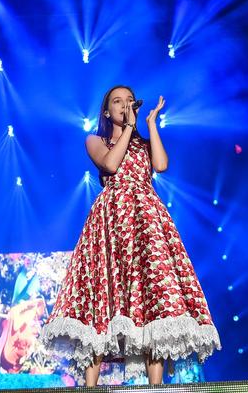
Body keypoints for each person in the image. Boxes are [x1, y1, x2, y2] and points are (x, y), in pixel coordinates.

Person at [41, 85, 221, 386]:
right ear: (107, 111)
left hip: (145, 219)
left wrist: (149, 125)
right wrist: (127, 129)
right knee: (101, 295)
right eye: (117, 101)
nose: (124, 105)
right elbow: (110, 164)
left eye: (128, 101)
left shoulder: (142, 143)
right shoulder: (95, 140)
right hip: (111, 221)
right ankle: (90, 386)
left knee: (153, 295)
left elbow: (161, 165)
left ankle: (155, 387)